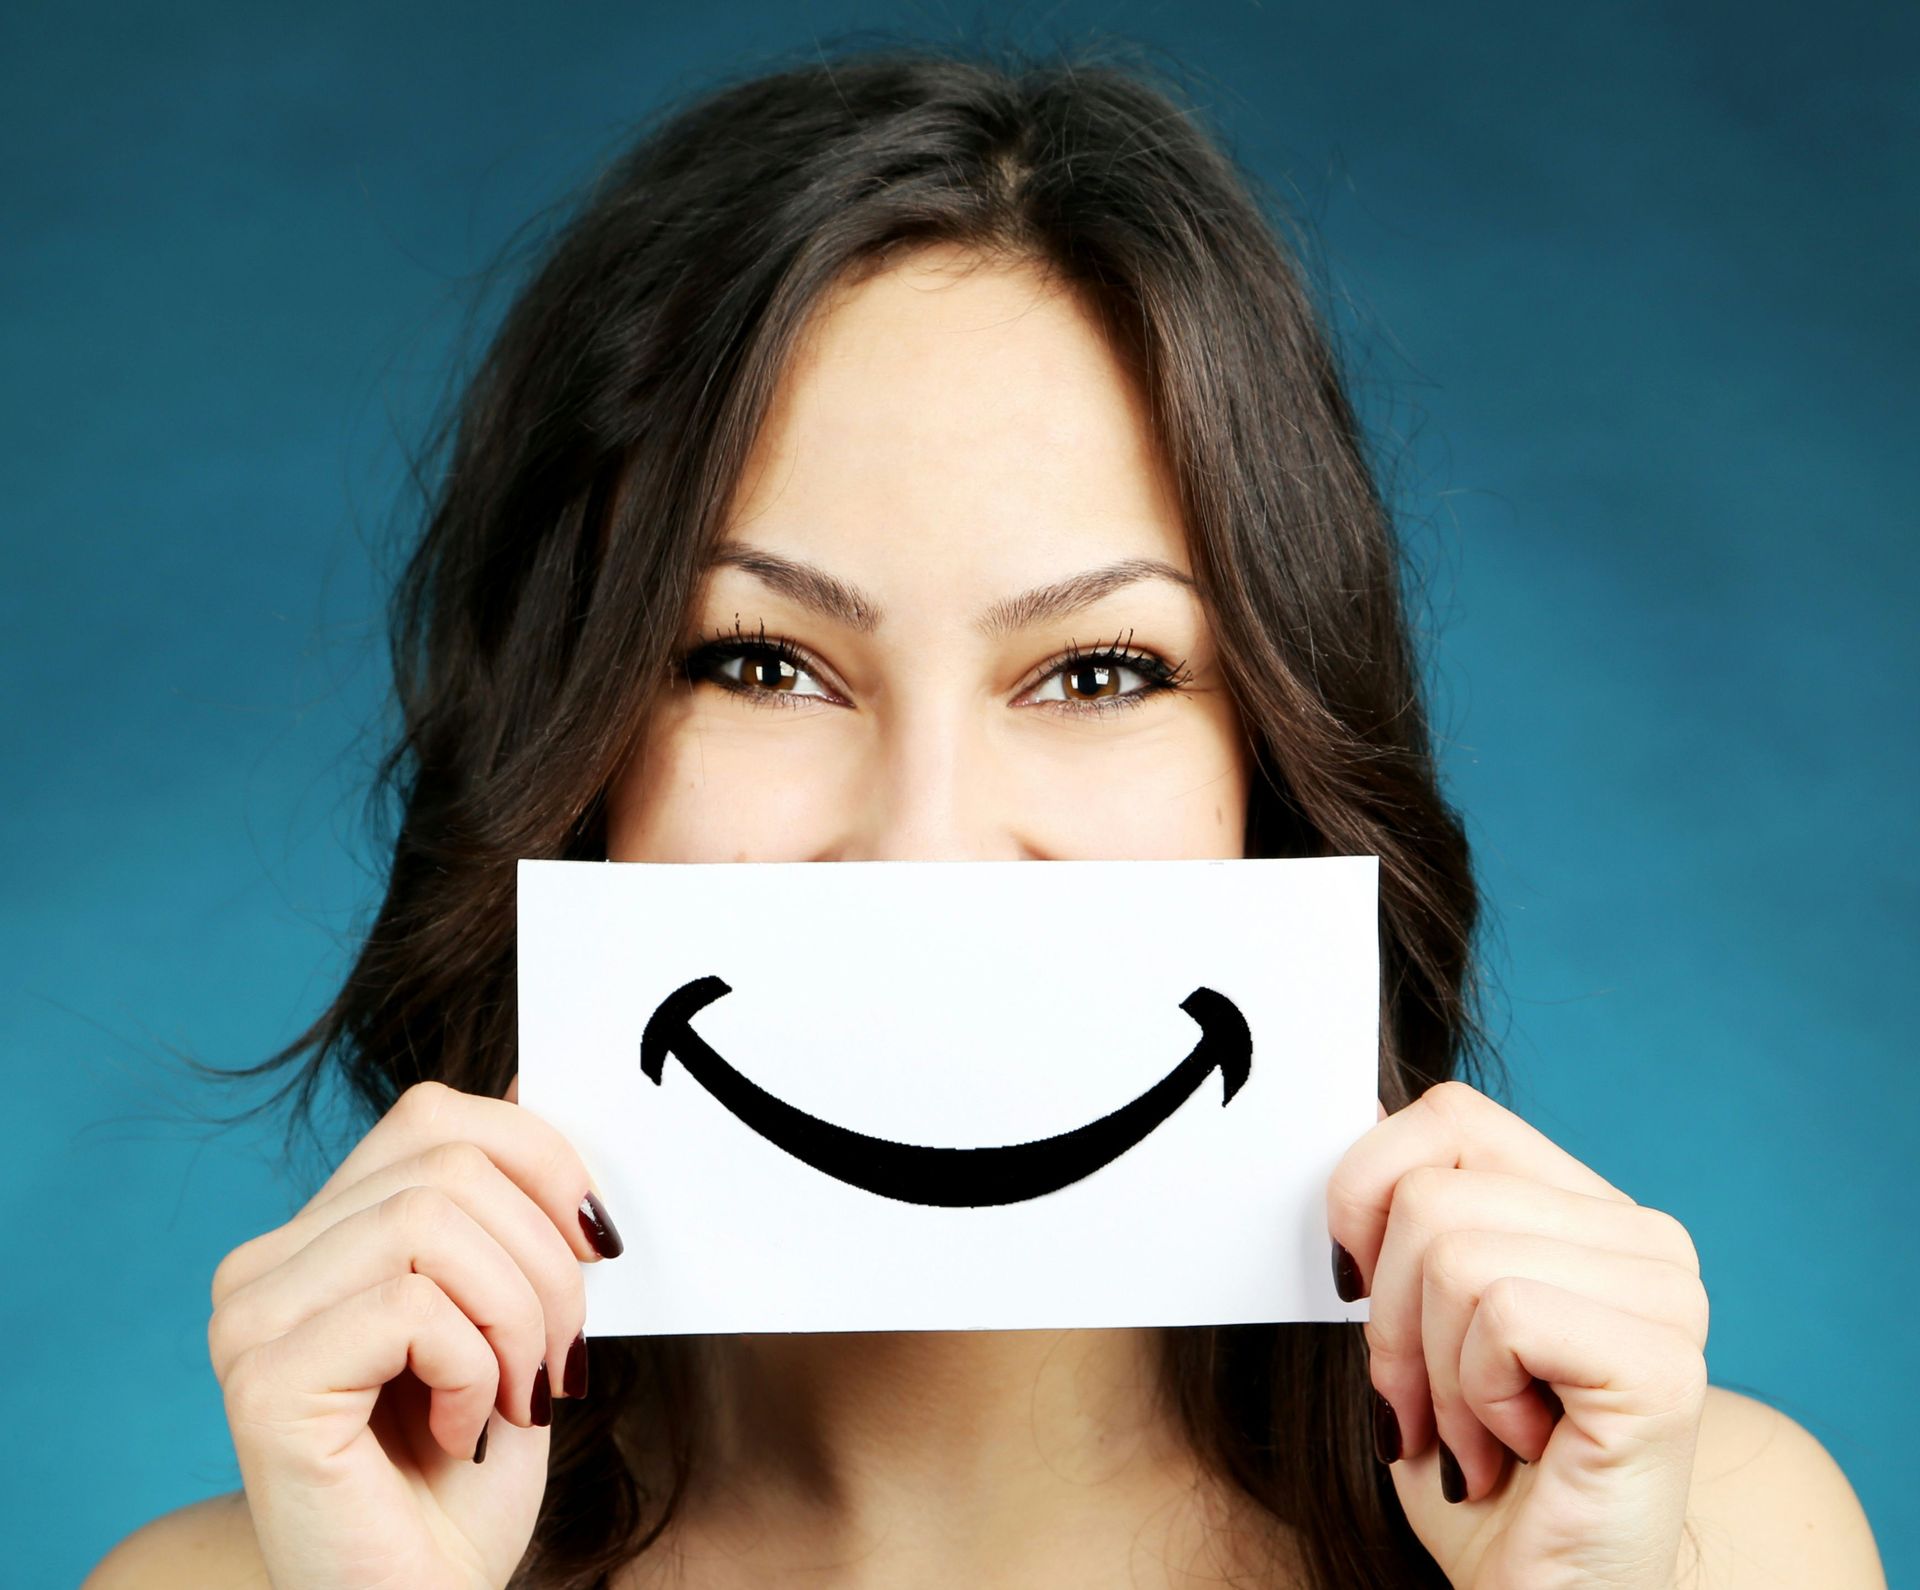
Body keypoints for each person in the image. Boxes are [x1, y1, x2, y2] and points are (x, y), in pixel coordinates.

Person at [87, 41, 1884, 1590]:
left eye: (1099, 672)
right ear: (574, 748)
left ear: (1270, 766)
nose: (927, 849)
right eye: (757, 661)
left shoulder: (1704, 1533)